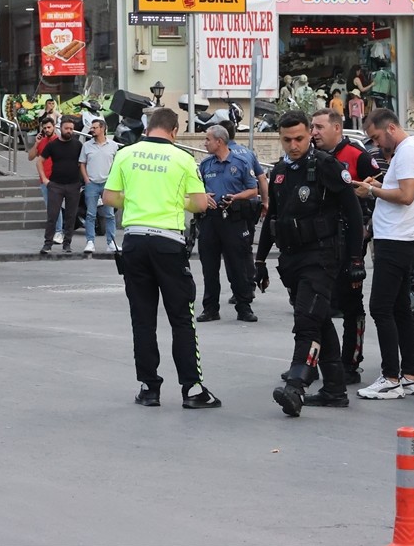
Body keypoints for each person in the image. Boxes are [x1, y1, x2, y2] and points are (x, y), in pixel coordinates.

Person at [103, 107, 221, 409]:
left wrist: (138, 198)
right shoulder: (183, 158)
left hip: (134, 241)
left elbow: (110, 197)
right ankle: (192, 389)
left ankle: (148, 388)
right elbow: (200, 204)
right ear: (174, 130)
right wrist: (175, 200)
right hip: (168, 243)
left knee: (142, 319)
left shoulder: (125, 154)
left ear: (148, 127)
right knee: (182, 318)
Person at [255, 110, 365, 415]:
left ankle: (296, 386)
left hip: (322, 257)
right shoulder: (280, 171)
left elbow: (354, 213)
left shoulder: (326, 166)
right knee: (319, 319)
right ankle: (334, 390)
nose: (294, 145)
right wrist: (260, 260)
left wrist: (356, 258)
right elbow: (272, 218)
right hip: (292, 259)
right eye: (287, 140)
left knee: (306, 320)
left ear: (309, 136)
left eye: (299, 138)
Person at [350, 108, 414, 400]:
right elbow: (400, 190)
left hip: (395, 240)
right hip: (400, 238)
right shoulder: (407, 150)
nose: (375, 144)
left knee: (381, 308)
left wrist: (371, 192)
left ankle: (391, 378)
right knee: (400, 309)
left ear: (391, 128)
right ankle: (410, 376)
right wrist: (379, 186)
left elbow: (406, 196)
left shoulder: (407, 152)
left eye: (376, 137)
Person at [311, 107, 379, 384]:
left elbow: (378, 187)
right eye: (312, 127)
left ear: (337, 128)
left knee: (351, 305)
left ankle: (350, 363)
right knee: (314, 307)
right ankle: (311, 362)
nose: (314, 133)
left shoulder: (357, 155)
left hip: (349, 243)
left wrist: (366, 227)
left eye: (319, 127)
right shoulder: (310, 157)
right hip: (318, 243)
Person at [197, 124, 263, 323]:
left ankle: (244, 307)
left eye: (208, 139)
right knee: (209, 267)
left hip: (233, 219)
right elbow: (197, 188)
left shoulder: (241, 163)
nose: (205, 143)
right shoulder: (205, 164)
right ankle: (210, 309)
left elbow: (253, 190)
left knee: (237, 266)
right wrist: (203, 196)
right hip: (210, 219)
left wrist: (236, 197)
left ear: (219, 141)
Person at [40, 116, 84, 256]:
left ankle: (67, 244)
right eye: (66, 128)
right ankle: (47, 244)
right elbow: (39, 161)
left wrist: (83, 180)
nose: (69, 131)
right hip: (55, 185)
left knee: (71, 216)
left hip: (73, 185)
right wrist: (45, 179)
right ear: (61, 129)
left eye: (71, 129)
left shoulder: (78, 145)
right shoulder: (53, 145)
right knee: (52, 215)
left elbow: (83, 163)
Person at [79, 118, 119, 255]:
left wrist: (114, 180)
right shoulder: (87, 146)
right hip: (92, 183)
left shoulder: (113, 145)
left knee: (110, 214)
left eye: (95, 127)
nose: (92, 130)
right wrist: (86, 179)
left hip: (108, 184)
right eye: (92, 127)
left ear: (102, 128)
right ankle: (90, 242)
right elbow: (82, 163)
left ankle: (111, 242)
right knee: (90, 214)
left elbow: (116, 164)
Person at [29, 117, 64, 243]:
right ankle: (56, 231)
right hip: (44, 179)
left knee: (55, 206)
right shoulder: (42, 141)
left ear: (54, 127)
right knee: (50, 207)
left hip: (57, 179)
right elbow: (30, 157)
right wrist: (36, 143)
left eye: (49, 127)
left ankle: (59, 231)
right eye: (44, 128)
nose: (47, 130)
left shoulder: (59, 141)